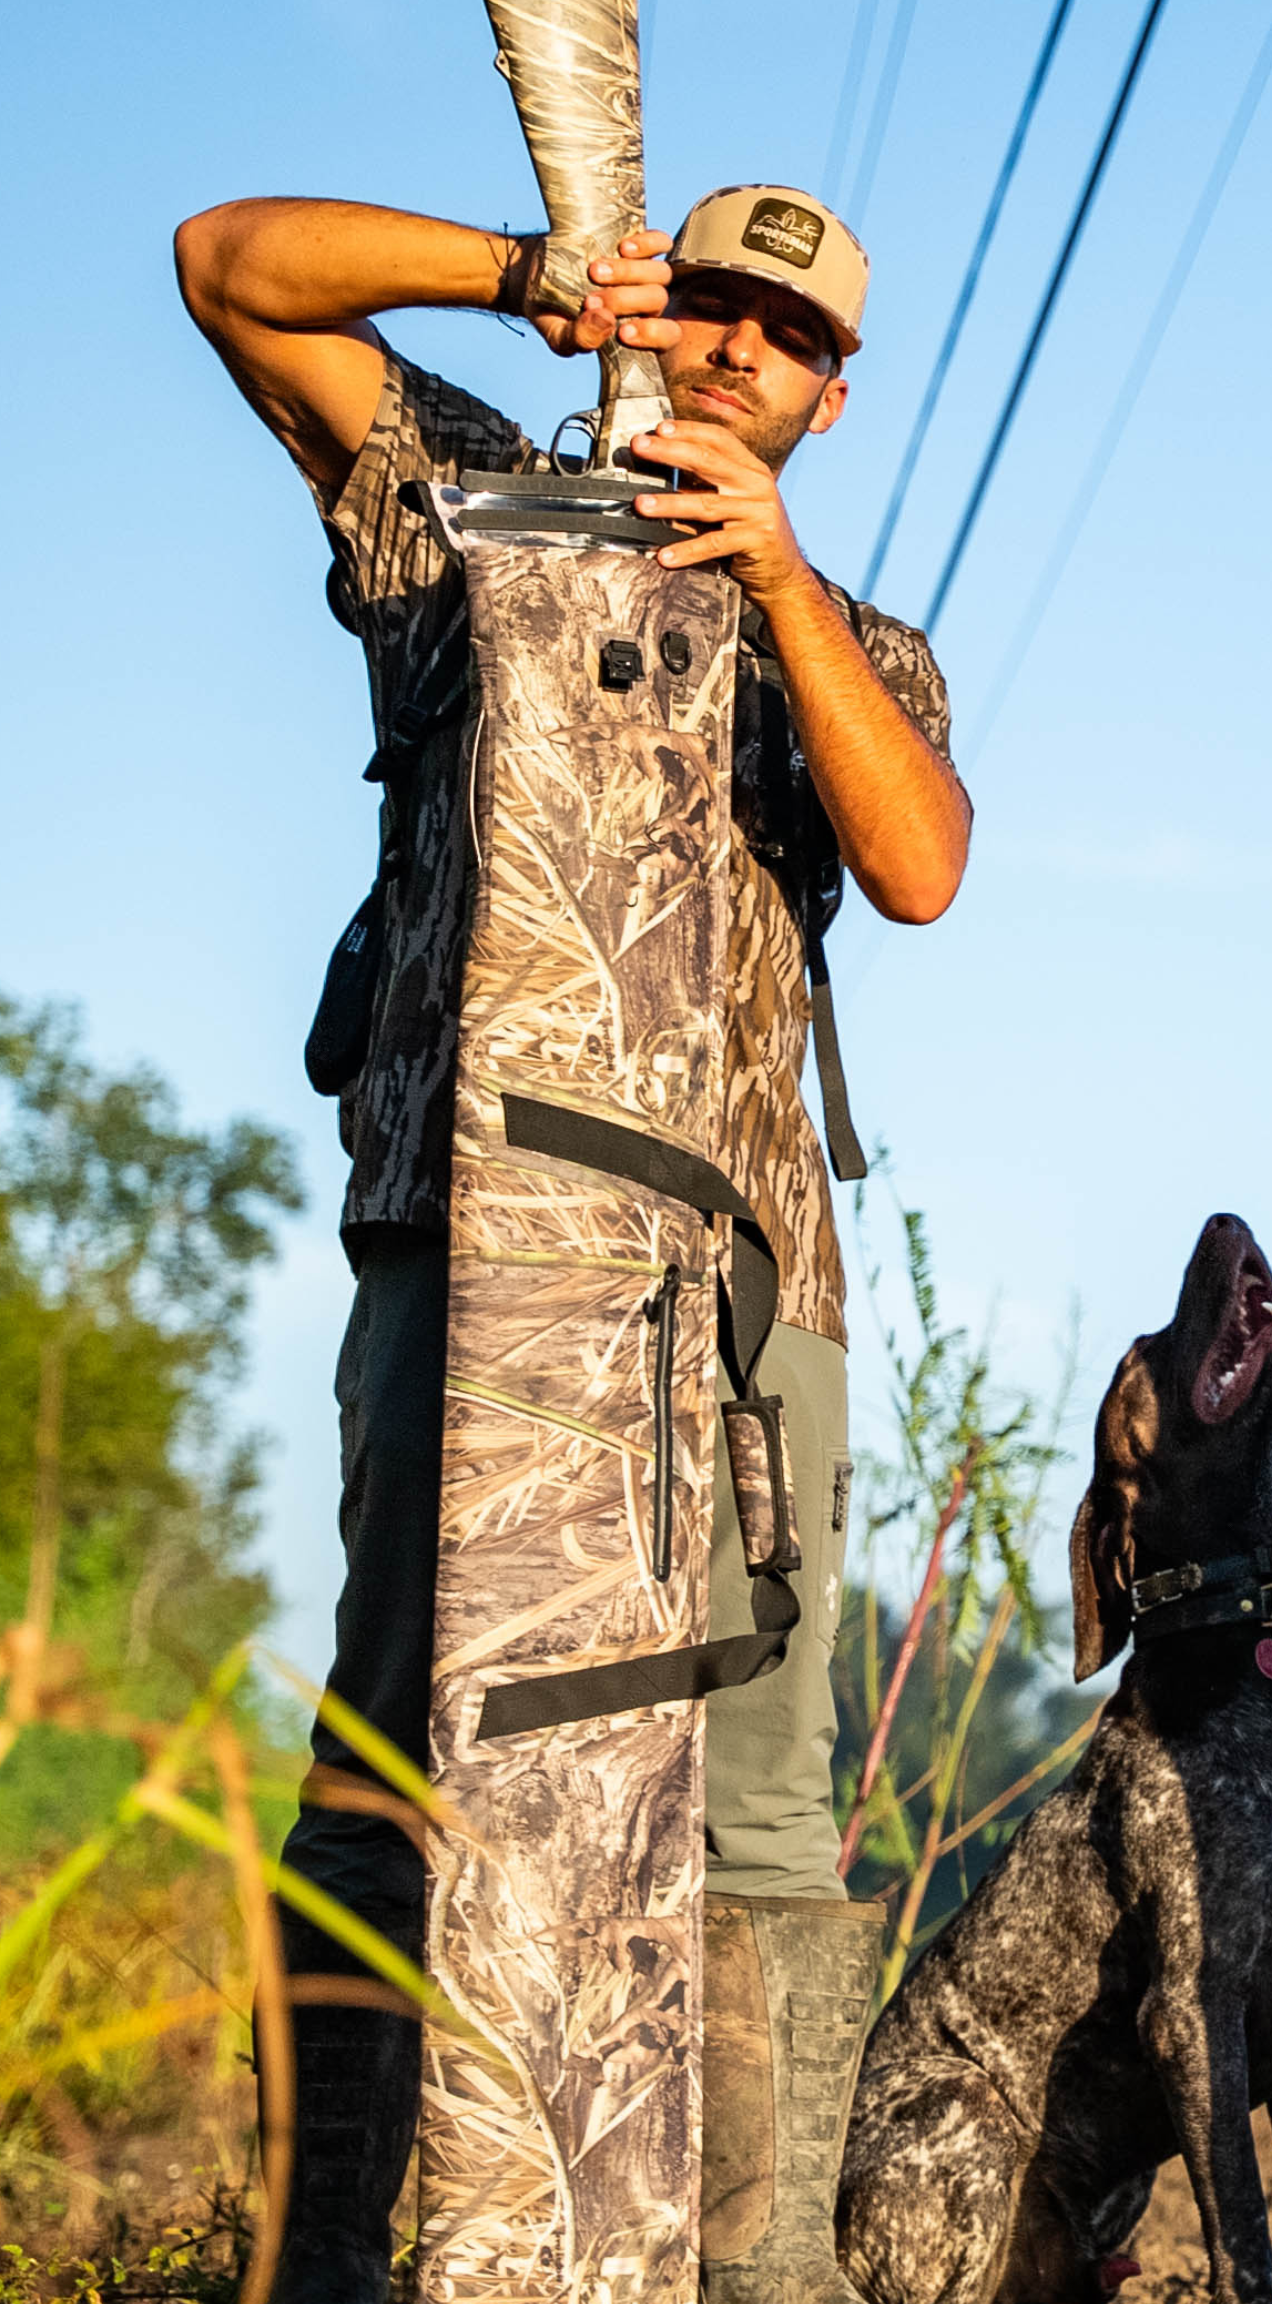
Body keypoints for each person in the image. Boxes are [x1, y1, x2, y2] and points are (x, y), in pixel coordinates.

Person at [174, 184, 971, 2304]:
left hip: (738, 1300)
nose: (727, 348)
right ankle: (320, 2265)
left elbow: (914, 867)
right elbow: (222, 263)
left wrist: (775, 584)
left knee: (754, 1811)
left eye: (775, 335)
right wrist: (520, 276)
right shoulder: (461, 505)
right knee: (381, 1765)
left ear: (824, 392)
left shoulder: (860, 642)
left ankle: (751, 2284)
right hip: (463, 1237)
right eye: (700, 301)